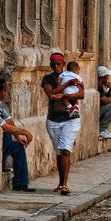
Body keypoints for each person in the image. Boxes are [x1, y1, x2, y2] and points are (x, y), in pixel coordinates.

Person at [42, 52, 84, 196]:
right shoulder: (48, 78)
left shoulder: (72, 75)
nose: (56, 67)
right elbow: (51, 94)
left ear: (63, 64)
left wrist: (66, 95)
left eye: (58, 64)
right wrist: (66, 85)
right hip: (53, 120)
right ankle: (60, 183)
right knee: (59, 152)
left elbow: (81, 93)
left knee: (66, 150)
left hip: (71, 120)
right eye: (53, 64)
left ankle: (64, 184)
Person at [0, 78, 35, 192]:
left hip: (5, 138)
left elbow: (9, 120)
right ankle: (20, 182)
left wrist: (18, 136)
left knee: (18, 147)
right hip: (0, 140)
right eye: (6, 91)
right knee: (9, 140)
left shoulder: (0, 104)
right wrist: (24, 132)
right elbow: (4, 126)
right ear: (3, 91)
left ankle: (21, 182)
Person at [97, 66, 111, 140]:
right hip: (96, 112)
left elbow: (107, 98)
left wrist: (110, 89)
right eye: (107, 76)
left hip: (99, 109)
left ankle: (104, 129)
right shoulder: (98, 86)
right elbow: (103, 101)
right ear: (104, 77)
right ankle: (101, 130)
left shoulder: (102, 86)